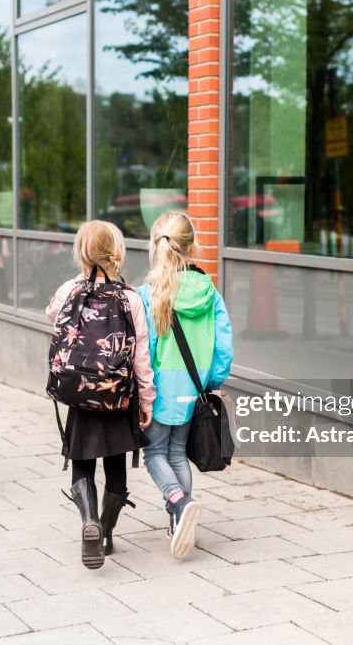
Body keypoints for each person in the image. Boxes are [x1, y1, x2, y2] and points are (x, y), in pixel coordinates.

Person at [46, 220, 156, 569]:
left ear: (81, 252)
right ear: (118, 252)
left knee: (82, 462)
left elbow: (52, 314)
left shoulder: (69, 290)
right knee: (115, 464)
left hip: (80, 393)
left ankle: (89, 519)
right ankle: (106, 534)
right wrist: (147, 399)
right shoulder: (131, 298)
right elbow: (141, 356)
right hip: (119, 396)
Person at [137, 211, 233, 559]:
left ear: (155, 245)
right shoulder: (209, 291)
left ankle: (179, 502)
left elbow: (143, 349)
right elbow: (224, 344)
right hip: (194, 386)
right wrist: (212, 380)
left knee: (154, 454)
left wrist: (140, 391)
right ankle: (179, 523)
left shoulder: (147, 295)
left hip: (161, 387)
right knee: (178, 453)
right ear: (191, 245)